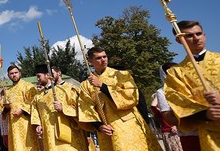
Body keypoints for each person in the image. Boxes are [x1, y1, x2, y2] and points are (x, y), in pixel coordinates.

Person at [78, 46, 161, 151]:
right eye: (98, 58)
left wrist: (102, 86)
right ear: (90, 61)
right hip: (107, 129)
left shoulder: (121, 75)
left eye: (105, 56)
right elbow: (85, 108)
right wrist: (99, 126)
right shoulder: (86, 84)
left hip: (128, 123)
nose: (103, 60)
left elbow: (131, 96)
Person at [165, 20, 219, 150]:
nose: (196, 38)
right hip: (209, 135)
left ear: (204, 35)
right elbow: (178, 105)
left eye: (198, 34)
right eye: (189, 35)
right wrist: (205, 115)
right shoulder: (176, 73)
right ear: (179, 40)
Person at [30, 64, 87, 151]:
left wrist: (63, 108)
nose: (37, 79)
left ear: (48, 75)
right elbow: (35, 112)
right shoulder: (38, 97)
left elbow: (81, 109)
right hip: (48, 135)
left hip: (66, 134)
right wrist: (38, 124)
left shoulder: (66, 90)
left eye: (39, 76)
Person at [6, 64, 39, 151]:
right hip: (13, 123)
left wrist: (22, 110)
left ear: (20, 73)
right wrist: (6, 107)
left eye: (16, 72)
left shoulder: (28, 86)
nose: (14, 75)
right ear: (8, 75)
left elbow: (34, 101)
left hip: (25, 122)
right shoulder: (8, 91)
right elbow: (4, 109)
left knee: (27, 145)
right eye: (11, 73)